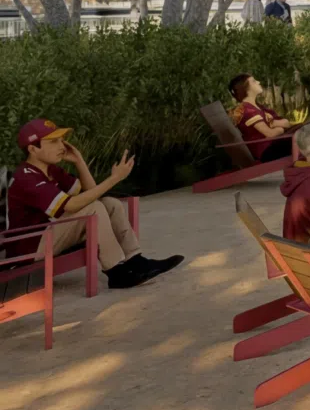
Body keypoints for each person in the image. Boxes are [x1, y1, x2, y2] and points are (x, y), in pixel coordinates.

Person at [6, 119, 181, 288]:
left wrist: (79, 161)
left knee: (109, 204)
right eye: (53, 142)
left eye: (61, 140)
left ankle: (136, 260)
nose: (61, 146)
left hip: (49, 234)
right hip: (30, 248)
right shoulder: (25, 177)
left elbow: (92, 192)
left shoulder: (52, 170)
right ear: (32, 149)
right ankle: (116, 273)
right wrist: (114, 179)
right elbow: (72, 205)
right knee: (94, 209)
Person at [228, 73, 298, 160]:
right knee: (305, 136)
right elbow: (270, 133)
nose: (258, 82)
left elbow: (287, 123)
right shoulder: (247, 110)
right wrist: (280, 129)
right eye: (254, 81)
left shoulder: (260, 107)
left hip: (277, 143)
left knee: (308, 128)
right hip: (267, 151)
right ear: (245, 88)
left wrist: (275, 124)